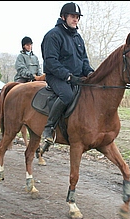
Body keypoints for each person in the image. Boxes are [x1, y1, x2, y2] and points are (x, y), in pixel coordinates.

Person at [40, 2, 94, 145]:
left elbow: (83, 59)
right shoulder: (53, 35)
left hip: (75, 77)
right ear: (63, 17)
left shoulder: (78, 37)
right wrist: (68, 76)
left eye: (77, 17)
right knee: (67, 95)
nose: (75, 19)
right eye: (72, 16)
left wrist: (89, 72)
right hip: (56, 76)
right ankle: (49, 127)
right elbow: (51, 61)